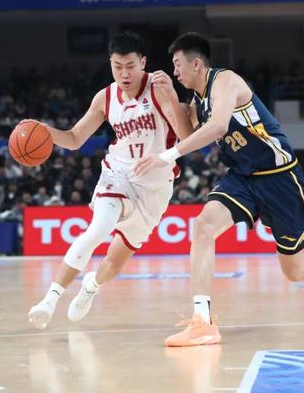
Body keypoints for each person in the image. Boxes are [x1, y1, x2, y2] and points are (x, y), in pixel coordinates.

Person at [134, 32, 304, 346]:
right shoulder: (197, 101)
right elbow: (188, 135)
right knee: (203, 226)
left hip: (280, 178)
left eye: (178, 64)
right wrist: (167, 97)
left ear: (197, 64)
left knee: (295, 271)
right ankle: (202, 322)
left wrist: (166, 156)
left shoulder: (225, 81)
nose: (175, 71)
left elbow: (218, 127)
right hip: (243, 178)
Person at [27, 31, 189, 329]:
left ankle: (90, 287)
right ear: (110, 65)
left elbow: (185, 136)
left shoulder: (158, 88)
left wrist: (174, 100)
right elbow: (74, 138)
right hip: (118, 174)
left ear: (143, 62)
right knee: (99, 228)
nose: (124, 73)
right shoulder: (105, 97)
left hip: (154, 188)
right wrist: (44, 130)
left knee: (114, 263)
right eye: (117, 66)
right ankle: (49, 300)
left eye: (130, 66)